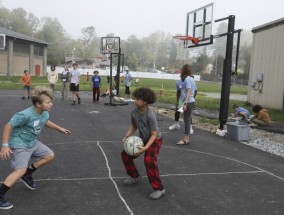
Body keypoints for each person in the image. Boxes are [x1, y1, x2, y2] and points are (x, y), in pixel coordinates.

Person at [0, 86, 71, 210]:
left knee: (49, 155)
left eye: (51, 101)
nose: (51, 104)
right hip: (19, 143)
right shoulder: (25, 115)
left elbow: (45, 121)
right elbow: (8, 127)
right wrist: (5, 146)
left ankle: (28, 174)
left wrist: (60, 129)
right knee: (19, 170)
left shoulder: (44, 113)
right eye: (48, 102)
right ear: (38, 104)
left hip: (32, 142)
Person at [121, 87, 165, 200]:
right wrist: (127, 136)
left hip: (155, 140)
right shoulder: (134, 112)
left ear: (145, 101)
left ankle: (159, 188)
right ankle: (134, 176)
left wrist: (145, 148)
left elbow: (154, 134)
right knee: (125, 154)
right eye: (135, 98)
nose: (135, 101)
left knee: (149, 161)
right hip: (144, 139)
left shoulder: (150, 115)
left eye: (137, 99)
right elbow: (134, 126)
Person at [176, 64, 197, 145]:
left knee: (187, 120)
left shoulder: (188, 80)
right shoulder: (190, 79)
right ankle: (178, 125)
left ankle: (186, 139)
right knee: (185, 119)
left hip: (187, 102)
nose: (180, 70)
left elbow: (188, 91)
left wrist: (185, 103)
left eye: (181, 69)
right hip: (185, 101)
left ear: (184, 70)